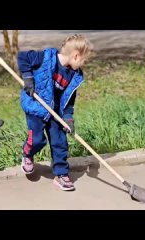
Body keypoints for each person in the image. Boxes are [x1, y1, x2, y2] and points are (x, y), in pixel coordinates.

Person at [17, 34, 92, 191]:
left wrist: (68, 118)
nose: (85, 63)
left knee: (60, 143)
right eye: (84, 59)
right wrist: (28, 79)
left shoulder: (75, 75)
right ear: (76, 55)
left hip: (56, 112)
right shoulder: (45, 57)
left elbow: (69, 100)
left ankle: (61, 174)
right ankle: (27, 154)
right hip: (36, 106)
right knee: (37, 139)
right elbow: (23, 57)